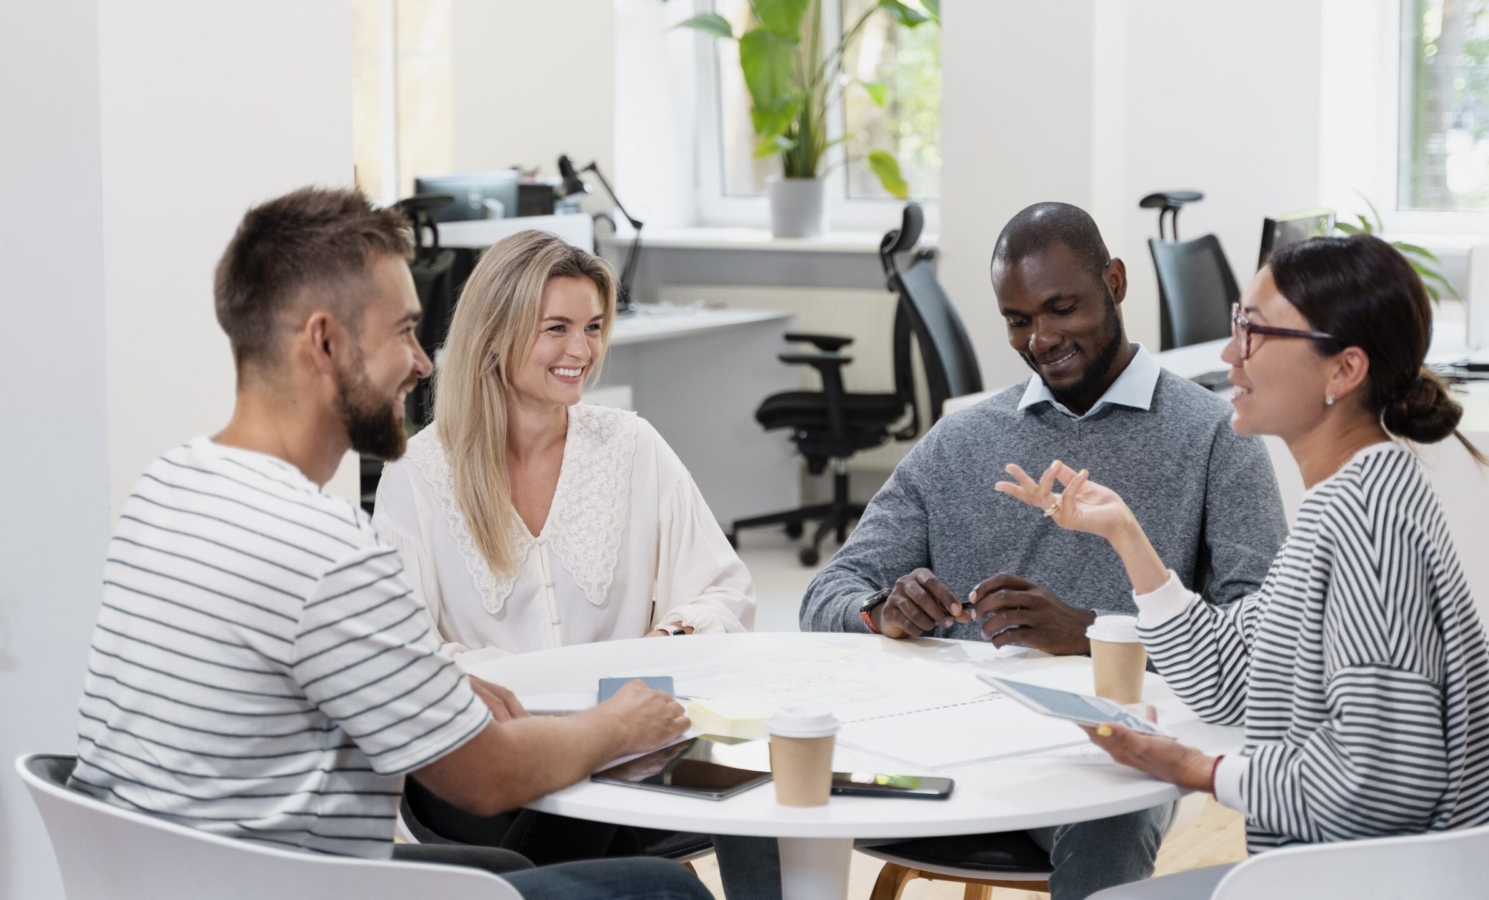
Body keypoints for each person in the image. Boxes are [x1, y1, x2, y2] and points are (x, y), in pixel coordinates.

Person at [69, 187, 712, 900]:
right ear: (325, 342)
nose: (424, 361)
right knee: (663, 890)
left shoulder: (169, 487)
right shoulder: (328, 550)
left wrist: (435, 681)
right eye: (404, 330)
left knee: (511, 871)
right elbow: (488, 777)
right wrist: (617, 724)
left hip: (174, 875)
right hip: (289, 887)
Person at [997, 234, 1489, 893]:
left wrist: (1198, 770)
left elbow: (1382, 783)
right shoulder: (1357, 494)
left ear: (1342, 371)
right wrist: (1125, 535)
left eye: (1254, 332)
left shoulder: (1363, 523)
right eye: (1239, 324)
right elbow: (1229, 676)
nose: (1232, 354)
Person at [799, 202, 1288, 900]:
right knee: (768, 769)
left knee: (1110, 821)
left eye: (1062, 308)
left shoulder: (1215, 437)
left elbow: (1260, 636)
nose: (1041, 338)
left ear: (1115, 283)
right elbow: (826, 594)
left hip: (1108, 753)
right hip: (949, 744)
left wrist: (1090, 634)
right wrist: (881, 612)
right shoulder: (963, 440)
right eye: (1018, 319)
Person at [371, 229, 774, 896]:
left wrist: (666, 642)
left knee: (769, 772)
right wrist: (540, 712)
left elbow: (724, 591)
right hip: (485, 762)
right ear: (495, 333)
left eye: (592, 327)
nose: (581, 351)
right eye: (555, 328)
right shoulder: (418, 472)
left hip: (632, 745)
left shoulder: (631, 446)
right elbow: (405, 653)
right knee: (615, 810)